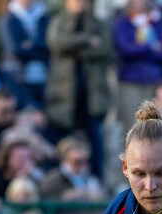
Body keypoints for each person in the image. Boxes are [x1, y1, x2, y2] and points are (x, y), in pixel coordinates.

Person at [45, 0, 113, 179]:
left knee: (96, 140)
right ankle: (63, 180)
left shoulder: (98, 23)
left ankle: (96, 180)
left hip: (92, 93)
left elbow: (105, 49)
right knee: (65, 139)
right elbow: (57, 43)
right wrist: (87, 40)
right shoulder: (58, 22)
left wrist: (73, 49)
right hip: (65, 94)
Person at [112, 0, 162, 127]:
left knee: (154, 123)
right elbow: (125, 49)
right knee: (131, 122)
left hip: (154, 81)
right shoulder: (123, 22)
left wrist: (138, 47)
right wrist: (151, 46)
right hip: (130, 81)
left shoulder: (156, 22)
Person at [0, 0, 50, 106]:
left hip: (45, 78)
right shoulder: (8, 19)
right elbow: (14, 49)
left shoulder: (45, 18)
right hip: (19, 79)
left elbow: (49, 46)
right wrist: (38, 48)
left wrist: (30, 46)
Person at [39, 135, 104, 202]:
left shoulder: (91, 179)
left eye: (86, 161)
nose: (83, 165)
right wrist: (65, 197)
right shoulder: (52, 180)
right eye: (77, 162)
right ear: (65, 160)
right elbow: (45, 200)